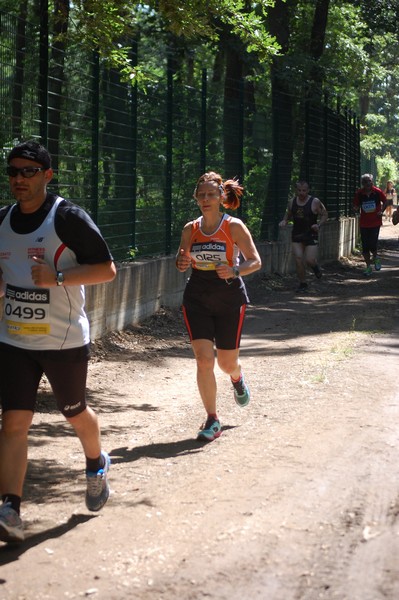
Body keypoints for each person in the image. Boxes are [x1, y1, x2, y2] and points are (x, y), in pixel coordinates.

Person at [0, 140, 117, 543]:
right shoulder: (1, 221)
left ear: (47, 175)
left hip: (63, 340)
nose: (19, 178)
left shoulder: (66, 218)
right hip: (14, 340)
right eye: (13, 171)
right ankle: (10, 508)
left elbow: (107, 270)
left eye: (28, 171)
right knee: (14, 421)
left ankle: (96, 462)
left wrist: (57, 279)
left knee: (74, 412)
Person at [175, 171, 261, 442]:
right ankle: (212, 419)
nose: (205, 199)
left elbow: (255, 261)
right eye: (201, 195)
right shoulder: (190, 229)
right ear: (196, 198)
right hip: (197, 296)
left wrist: (235, 271)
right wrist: (181, 261)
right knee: (203, 359)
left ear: (222, 197)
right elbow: (182, 257)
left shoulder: (234, 226)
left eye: (211, 194)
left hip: (228, 298)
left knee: (226, 363)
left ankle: (236, 377)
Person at [279, 181, 328, 293]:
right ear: (296, 190)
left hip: (311, 234)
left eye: (304, 190)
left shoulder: (315, 202)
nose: (301, 193)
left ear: (308, 190)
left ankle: (315, 268)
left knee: (310, 260)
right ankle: (303, 283)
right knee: (298, 258)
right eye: (299, 190)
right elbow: (289, 213)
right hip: (297, 234)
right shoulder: (292, 202)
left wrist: (318, 225)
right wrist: (285, 221)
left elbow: (325, 214)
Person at [353, 173, 387, 276]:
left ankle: (376, 258)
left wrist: (381, 211)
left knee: (372, 244)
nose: (368, 183)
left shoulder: (377, 192)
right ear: (362, 183)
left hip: (375, 222)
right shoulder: (359, 193)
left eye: (370, 181)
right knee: (365, 247)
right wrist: (355, 208)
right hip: (364, 224)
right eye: (366, 181)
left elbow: (385, 201)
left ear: (372, 182)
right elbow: (355, 205)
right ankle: (368, 267)